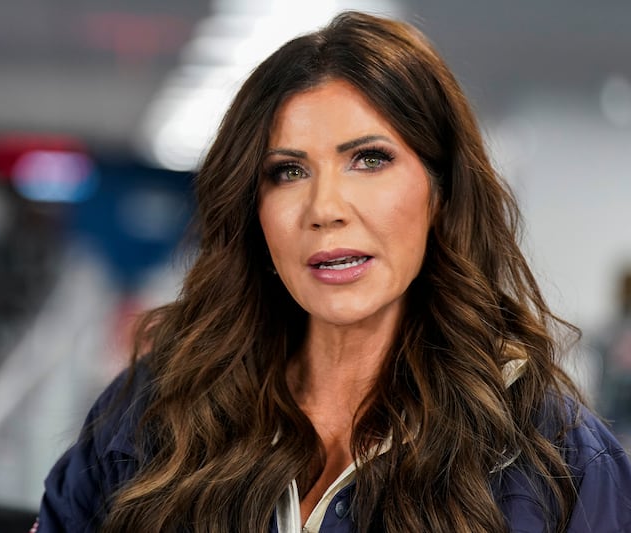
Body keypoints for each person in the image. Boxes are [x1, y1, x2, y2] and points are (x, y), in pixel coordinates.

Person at [34, 11, 631, 533]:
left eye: (369, 160)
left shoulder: (559, 462)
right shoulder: (154, 412)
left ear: (441, 193)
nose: (325, 209)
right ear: (254, 209)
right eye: (288, 172)